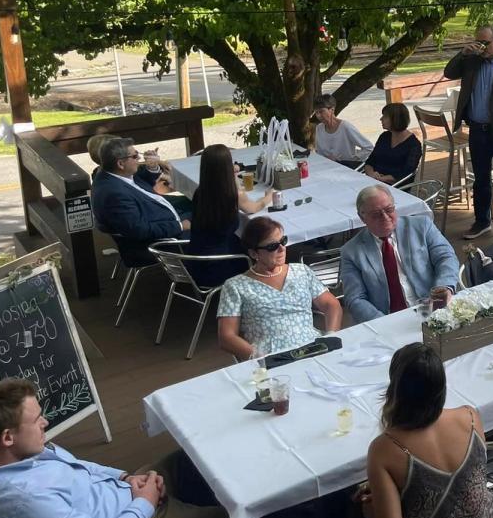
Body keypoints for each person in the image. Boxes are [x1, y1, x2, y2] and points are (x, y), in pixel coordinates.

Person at [0, 379, 226, 518]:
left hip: (124, 490)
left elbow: (80, 466)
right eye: (37, 420)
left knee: (193, 461)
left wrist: (126, 478)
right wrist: (145, 502)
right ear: (7, 438)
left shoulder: (26, 450)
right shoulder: (26, 502)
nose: (46, 423)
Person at [366, 343, 493, 518]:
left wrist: (374, 511)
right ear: (441, 387)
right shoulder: (470, 417)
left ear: (396, 391)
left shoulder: (384, 450)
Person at [443, 25, 493, 242]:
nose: (481, 46)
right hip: (477, 129)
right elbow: (448, 72)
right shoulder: (472, 60)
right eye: (478, 42)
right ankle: (482, 221)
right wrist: (463, 53)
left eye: (485, 43)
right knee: (481, 178)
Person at [217, 217, 342, 358]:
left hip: (313, 347)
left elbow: (331, 304)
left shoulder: (301, 271)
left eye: (283, 241)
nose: (282, 249)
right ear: (253, 253)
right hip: (272, 356)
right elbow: (226, 337)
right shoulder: (235, 286)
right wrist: (259, 357)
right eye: (272, 246)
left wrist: (331, 336)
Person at [341, 185, 460, 323]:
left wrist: (443, 287)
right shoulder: (351, 252)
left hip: (432, 308)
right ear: (362, 218)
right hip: (386, 318)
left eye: (389, 210)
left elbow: (446, 257)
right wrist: (385, 323)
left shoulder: (421, 226)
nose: (385, 217)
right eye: (376, 214)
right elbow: (355, 299)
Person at [92, 138, 189, 265]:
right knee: (217, 222)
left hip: (164, 220)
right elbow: (140, 230)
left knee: (209, 208)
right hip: (162, 243)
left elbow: (141, 184)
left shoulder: (112, 176)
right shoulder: (114, 194)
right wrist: (180, 226)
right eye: (135, 156)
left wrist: (153, 167)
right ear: (121, 164)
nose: (139, 159)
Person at [187, 144, 273, 287]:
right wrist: (268, 197)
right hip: (221, 264)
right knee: (258, 251)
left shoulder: (200, 191)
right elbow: (253, 208)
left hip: (195, 260)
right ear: (227, 166)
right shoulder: (233, 195)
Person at [363, 103, 423, 186]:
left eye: (385, 116)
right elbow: (370, 161)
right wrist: (371, 174)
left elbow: (406, 173)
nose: (381, 119)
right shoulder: (384, 137)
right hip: (374, 182)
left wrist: (382, 179)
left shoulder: (414, 145)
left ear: (396, 119)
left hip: (397, 187)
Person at [314, 94, 374, 168]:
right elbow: (319, 152)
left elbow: (369, 148)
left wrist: (352, 159)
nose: (319, 115)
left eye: (321, 111)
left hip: (346, 168)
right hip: (327, 167)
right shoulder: (319, 128)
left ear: (332, 110)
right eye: (316, 112)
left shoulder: (345, 127)